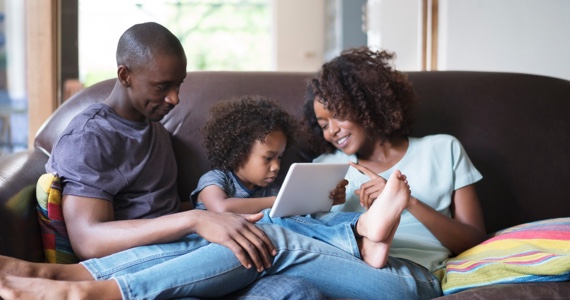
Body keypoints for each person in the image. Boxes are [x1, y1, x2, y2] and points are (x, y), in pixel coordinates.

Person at [0, 25, 440, 300]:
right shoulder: (91, 136)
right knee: (266, 238)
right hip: (172, 259)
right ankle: (76, 285)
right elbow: (89, 238)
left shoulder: (154, 129)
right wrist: (195, 219)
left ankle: (56, 277)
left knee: (295, 290)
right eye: (163, 86)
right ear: (124, 75)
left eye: (180, 85)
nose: (175, 100)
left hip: (200, 262)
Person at [303, 46, 487, 291]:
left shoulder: (443, 149)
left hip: (410, 273)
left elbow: (474, 240)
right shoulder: (324, 168)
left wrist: (406, 201)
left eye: (338, 115)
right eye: (323, 124)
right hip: (346, 266)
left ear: (367, 103)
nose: (332, 130)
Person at [191, 95, 406, 268]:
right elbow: (220, 208)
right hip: (214, 248)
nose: (276, 166)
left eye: (280, 158)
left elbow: (301, 221)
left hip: (269, 249)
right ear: (238, 153)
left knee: (312, 218)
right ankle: (361, 234)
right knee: (274, 218)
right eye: (268, 157)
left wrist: (324, 200)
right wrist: (278, 201)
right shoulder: (217, 178)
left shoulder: (271, 188)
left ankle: (364, 229)